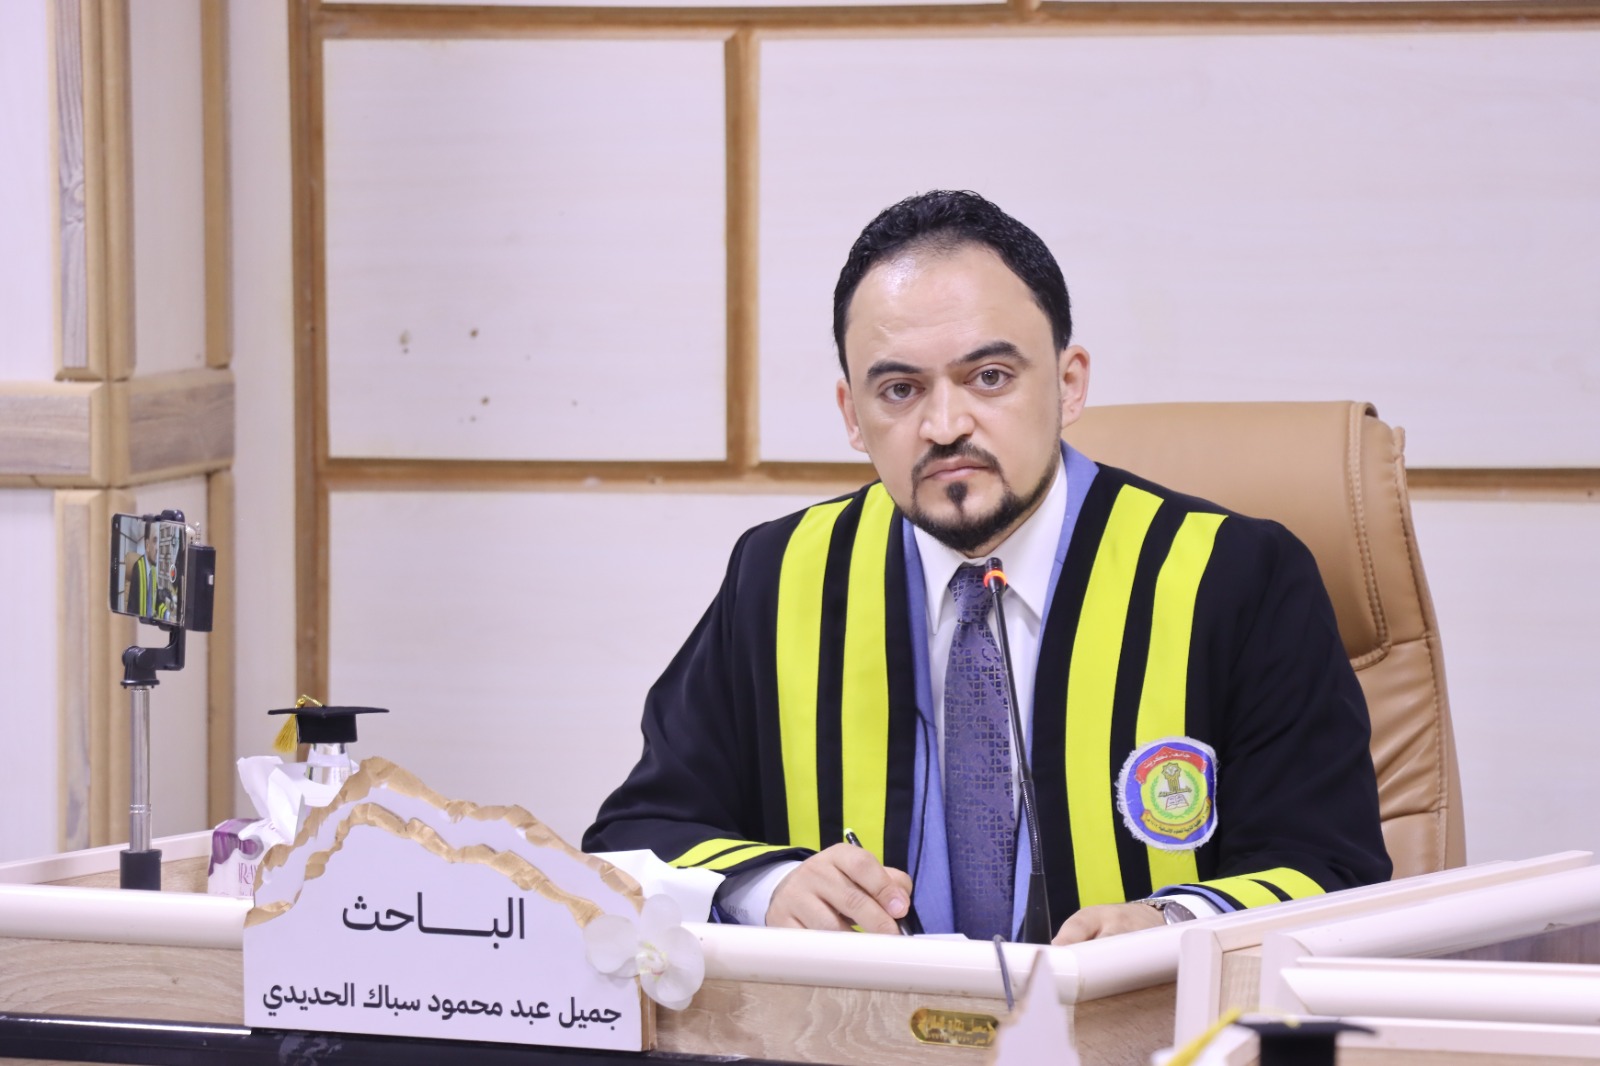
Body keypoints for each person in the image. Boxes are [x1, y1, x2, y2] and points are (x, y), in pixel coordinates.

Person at [584, 190, 1390, 944]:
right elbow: (634, 841)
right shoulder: (783, 575)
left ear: (1069, 384)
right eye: (899, 390)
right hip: (861, 1032)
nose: (945, 425)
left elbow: (1334, 870)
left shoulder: (1234, 578)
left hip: (1138, 1031)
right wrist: (769, 888)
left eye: (990, 377)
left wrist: (1172, 927)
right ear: (852, 416)